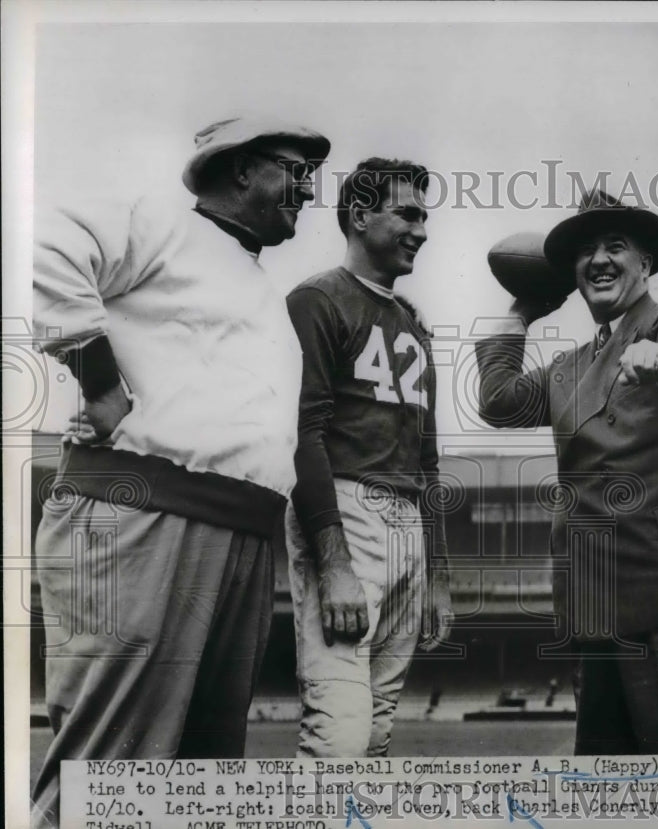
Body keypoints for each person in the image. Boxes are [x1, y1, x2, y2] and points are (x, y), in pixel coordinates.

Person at [30, 115, 330, 827]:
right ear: (241, 169)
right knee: (109, 776)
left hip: (240, 536)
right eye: (296, 168)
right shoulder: (166, 224)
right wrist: (98, 385)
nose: (310, 188)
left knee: (201, 786)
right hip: (144, 515)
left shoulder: (258, 286)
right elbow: (43, 248)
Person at [475, 190, 658, 754]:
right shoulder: (571, 367)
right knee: (608, 798)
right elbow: (498, 400)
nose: (599, 259)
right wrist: (521, 312)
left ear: (646, 263)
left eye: (615, 246)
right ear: (570, 275)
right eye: (585, 252)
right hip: (597, 612)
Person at [285, 158, 452, 758]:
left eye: (425, 216)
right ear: (360, 215)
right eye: (408, 213)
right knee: (340, 734)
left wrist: (437, 572)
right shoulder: (316, 299)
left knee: (377, 731)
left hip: (409, 524)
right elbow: (303, 434)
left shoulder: (411, 322)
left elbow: (428, 456)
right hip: (347, 508)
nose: (423, 231)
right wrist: (332, 562)